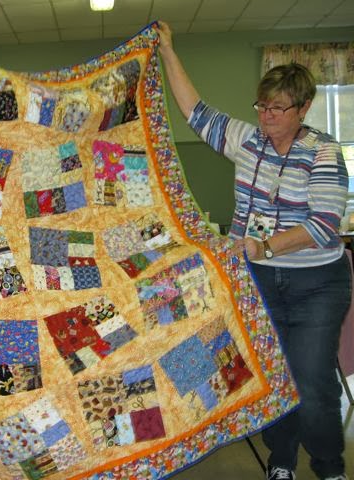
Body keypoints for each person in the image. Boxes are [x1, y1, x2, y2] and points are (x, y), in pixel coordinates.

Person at [157, 21, 350, 480]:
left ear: (304, 108)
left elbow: (323, 225)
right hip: (261, 281)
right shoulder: (247, 142)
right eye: (262, 106)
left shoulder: (324, 153)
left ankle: (329, 466)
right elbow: (196, 111)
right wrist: (167, 51)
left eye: (278, 108)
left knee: (312, 382)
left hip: (316, 285)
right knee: (273, 378)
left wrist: (265, 245)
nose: (266, 116)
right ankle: (281, 462)